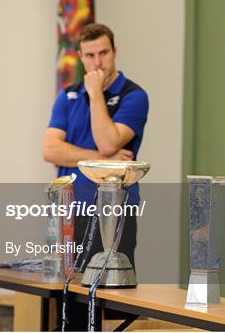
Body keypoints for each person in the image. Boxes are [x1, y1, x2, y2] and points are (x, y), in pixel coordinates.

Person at [42, 23, 149, 330]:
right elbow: (50, 150)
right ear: (80, 57)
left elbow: (108, 141)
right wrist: (104, 160)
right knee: (69, 301)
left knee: (109, 302)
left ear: (114, 52)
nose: (97, 62)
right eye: (90, 56)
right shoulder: (68, 96)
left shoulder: (134, 96)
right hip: (70, 214)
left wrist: (95, 94)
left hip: (114, 215)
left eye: (103, 53)